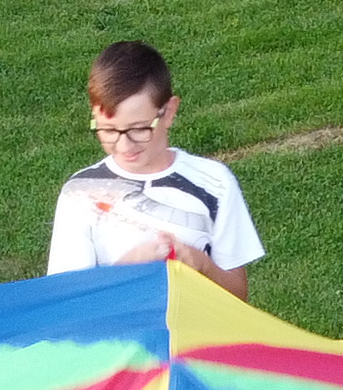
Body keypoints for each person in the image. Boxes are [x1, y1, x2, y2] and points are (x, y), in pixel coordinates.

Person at [45, 39, 262, 300]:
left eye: (139, 129)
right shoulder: (81, 193)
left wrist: (201, 264)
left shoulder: (214, 183)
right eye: (108, 130)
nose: (124, 145)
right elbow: (68, 300)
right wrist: (128, 267)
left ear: (169, 112)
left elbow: (238, 296)